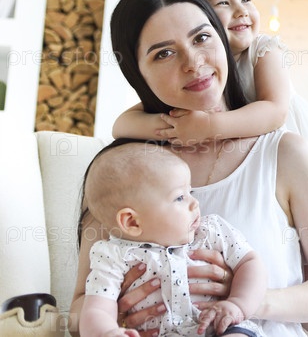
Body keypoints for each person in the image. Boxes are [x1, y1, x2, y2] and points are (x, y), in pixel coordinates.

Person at [70, 0, 308, 337]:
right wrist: (117, 317)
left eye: (202, 38)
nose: (193, 62)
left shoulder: (284, 154)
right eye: (164, 53)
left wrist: (246, 300)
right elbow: (77, 308)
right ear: (136, 73)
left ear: (221, 39)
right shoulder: (123, 170)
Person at [113, 0, 308, 245]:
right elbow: (122, 125)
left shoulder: (263, 51)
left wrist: (206, 127)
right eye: (223, 3)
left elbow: (274, 111)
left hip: (282, 151)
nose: (241, 11)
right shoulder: (191, 79)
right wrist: (175, 128)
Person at [80, 141, 267, 337]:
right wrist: (109, 332)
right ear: (132, 222)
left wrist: (237, 303)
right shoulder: (114, 257)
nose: (195, 203)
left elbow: (250, 262)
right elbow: (97, 309)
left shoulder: (210, 231)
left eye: (190, 192)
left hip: (219, 327)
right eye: (179, 198)